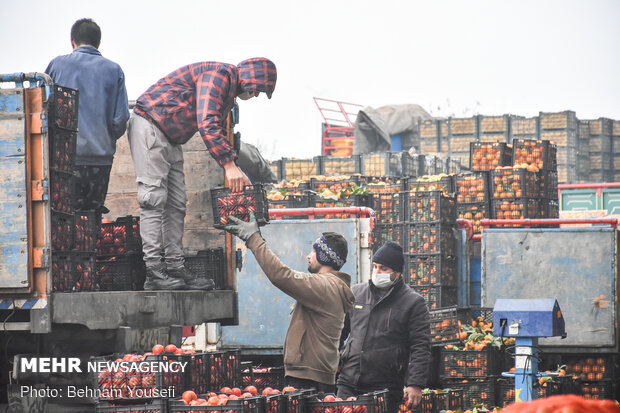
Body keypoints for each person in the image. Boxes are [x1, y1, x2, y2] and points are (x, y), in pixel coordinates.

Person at [128, 58, 277, 290]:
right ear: (250, 78)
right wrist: (229, 166)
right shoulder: (220, 75)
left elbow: (214, 124)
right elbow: (207, 122)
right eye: (258, 89)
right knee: (152, 199)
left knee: (176, 203)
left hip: (171, 137)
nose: (256, 95)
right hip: (150, 125)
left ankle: (175, 268)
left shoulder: (228, 89)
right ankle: (154, 273)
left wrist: (234, 164)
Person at [224, 214, 354, 394]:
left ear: (324, 256)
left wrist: (254, 238)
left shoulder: (325, 286)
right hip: (314, 376)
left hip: (308, 381)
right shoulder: (331, 286)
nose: (308, 256)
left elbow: (281, 275)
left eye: (314, 251)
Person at [45, 18, 130, 214]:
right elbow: (121, 119)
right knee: (91, 221)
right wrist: (105, 139)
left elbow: (42, 107)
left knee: (63, 217)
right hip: (100, 161)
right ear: (98, 43)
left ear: (72, 41)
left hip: (64, 160)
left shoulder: (57, 66)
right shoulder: (114, 70)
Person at [337, 241, 431, 413]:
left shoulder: (413, 302)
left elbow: (420, 346)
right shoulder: (357, 293)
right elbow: (339, 331)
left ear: (397, 273)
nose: (377, 272)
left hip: (384, 387)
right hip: (348, 382)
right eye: (375, 266)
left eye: (383, 268)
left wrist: (415, 384)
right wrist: (335, 360)